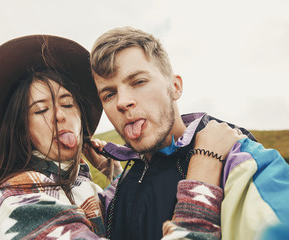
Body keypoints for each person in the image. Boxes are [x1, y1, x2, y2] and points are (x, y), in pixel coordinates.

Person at [0, 34, 238, 240]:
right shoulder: (21, 197)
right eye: (40, 110)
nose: (59, 116)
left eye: (67, 103)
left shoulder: (80, 187)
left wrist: (114, 173)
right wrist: (203, 172)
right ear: (21, 132)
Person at [90, 26, 289, 240]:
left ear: (175, 87)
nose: (122, 102)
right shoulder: (117, 189)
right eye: (109, 94)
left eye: (138, 82)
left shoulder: (241, 161)